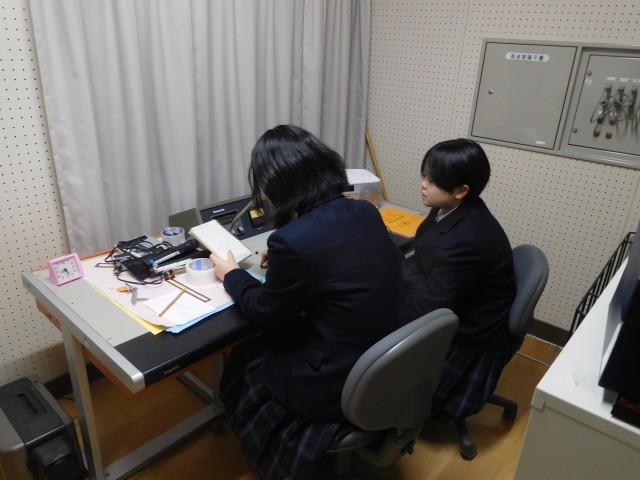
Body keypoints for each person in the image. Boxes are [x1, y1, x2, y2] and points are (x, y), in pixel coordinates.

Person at [210, 125, 404, 480]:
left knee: (246, 359)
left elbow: (265, 310)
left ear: (279, 184)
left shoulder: (293, 239)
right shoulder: (364, 211)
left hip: (337, 376)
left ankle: (273, 452)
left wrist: (231, 274)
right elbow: (349, 260)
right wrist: (292, 261)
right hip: (382, 355)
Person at [402, 138, 516, 422]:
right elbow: (424, 258)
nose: (423, 184)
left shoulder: (468, 240)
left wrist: (391, 285)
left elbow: (430, 310)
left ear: (461, 190)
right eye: (424, 175)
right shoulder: (452, 208)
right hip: (449, 299)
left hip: (469, 335)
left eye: (432, 180)